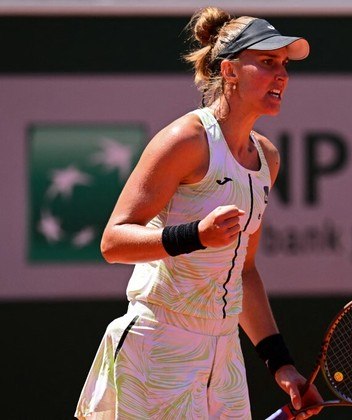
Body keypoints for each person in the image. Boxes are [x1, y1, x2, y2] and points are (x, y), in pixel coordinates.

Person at [75, 6, 323, 419]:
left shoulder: (267, 160)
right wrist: (195, 236)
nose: (281, 74)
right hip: (157, 348)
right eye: (266, 62)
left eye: (283, 64)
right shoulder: (185, 139)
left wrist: (281, 365)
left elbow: (243, 270)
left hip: (224, 358)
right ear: (228, 71)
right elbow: (114, 241)